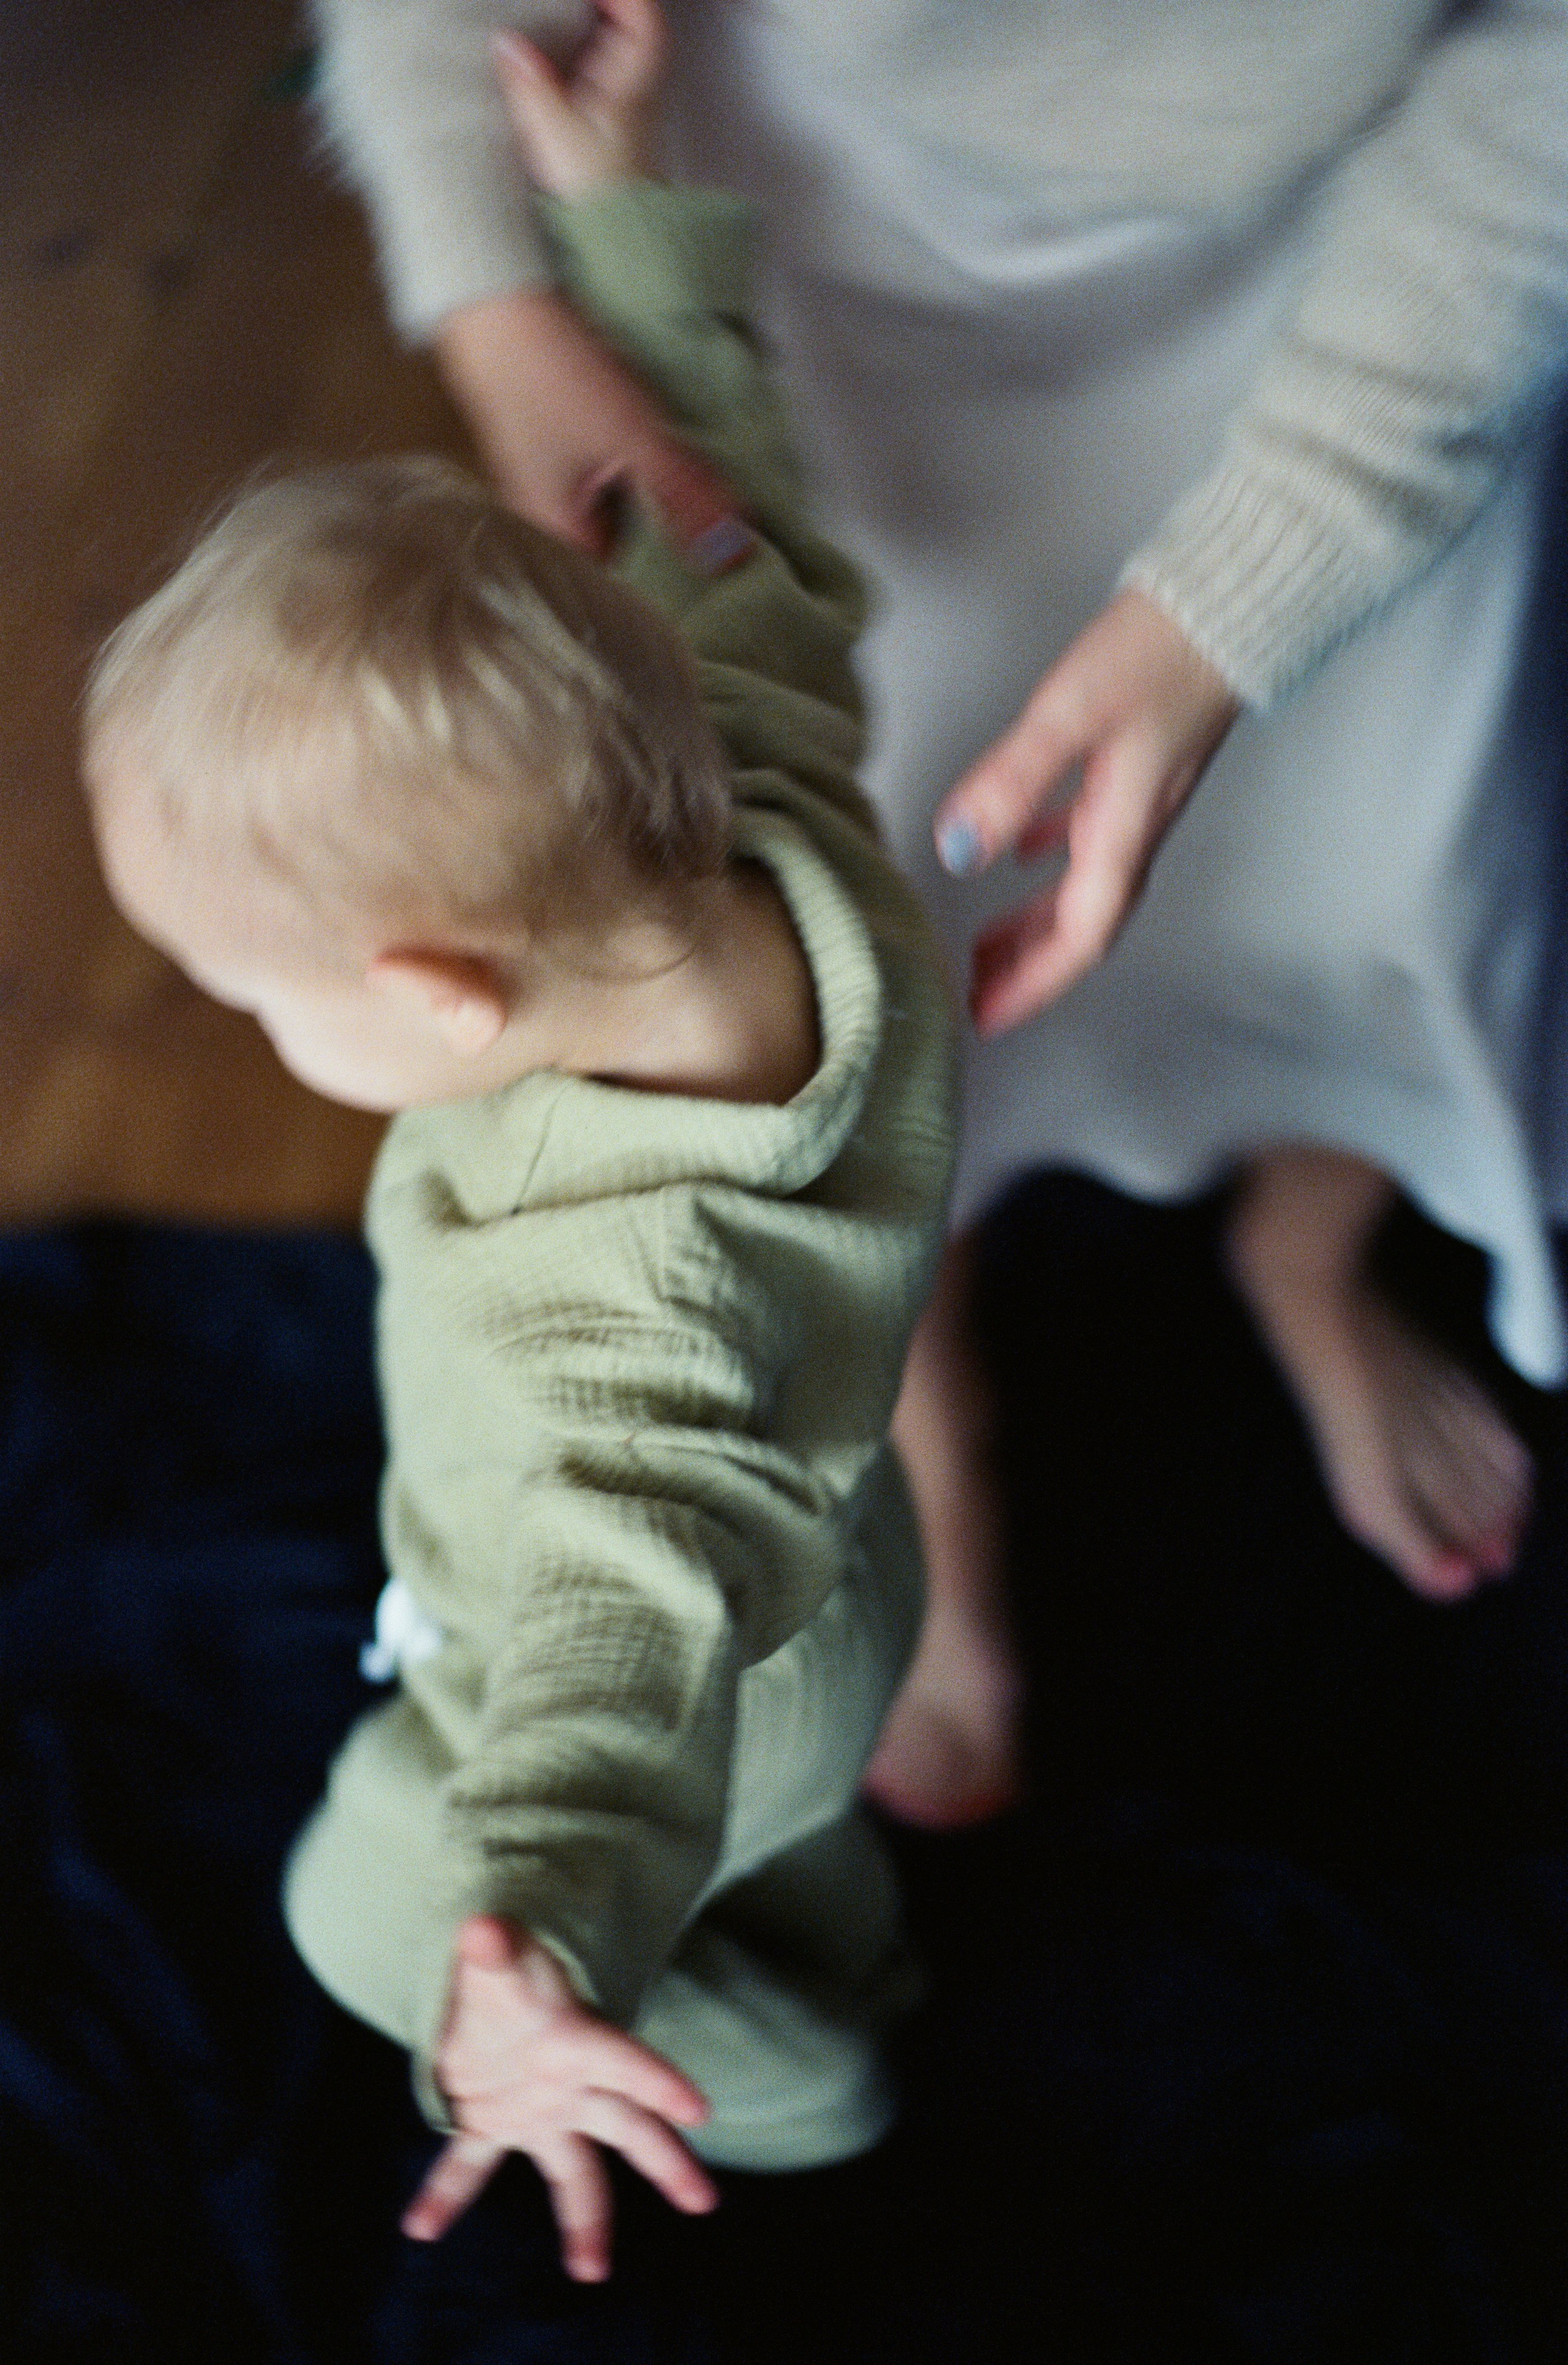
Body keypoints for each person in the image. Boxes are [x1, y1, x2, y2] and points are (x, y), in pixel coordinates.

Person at [308, 0, 1568, 1825]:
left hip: (1373, 261)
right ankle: (920, 1393)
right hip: (825, 240)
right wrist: (514, 302)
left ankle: (1310, 1245)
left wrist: (1235, 603)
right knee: (878, 949)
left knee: (1415, 871)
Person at [80, 0, 957, 2280]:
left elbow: (611, 1632)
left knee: (350, 1910)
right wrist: (624, 233)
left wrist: (529, 1935)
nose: (244, 1023)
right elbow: (721, 485)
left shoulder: (635, 1316)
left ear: (443, 1007)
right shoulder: (742, 751)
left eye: (252, 991)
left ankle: (782, 2076)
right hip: (833, 1589)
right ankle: (824, 1914)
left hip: (634, 1674)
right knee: (781, 1813)